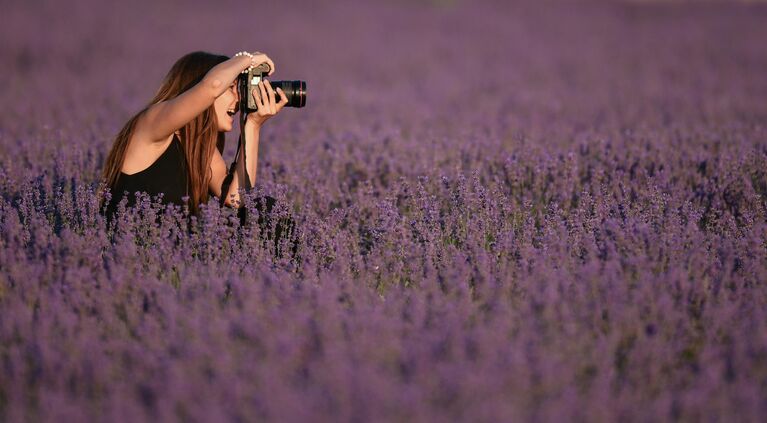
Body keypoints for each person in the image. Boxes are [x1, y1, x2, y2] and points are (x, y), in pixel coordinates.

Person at [100, 51, 298, 258]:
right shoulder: (151, 124)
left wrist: (253, 126)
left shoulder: (198, 146)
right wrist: (247, 59)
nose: (239, 99)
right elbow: (212, 86)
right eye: (231, 88)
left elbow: (237, 199)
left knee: (265, 211)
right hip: (134, 256)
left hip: (177, 258)